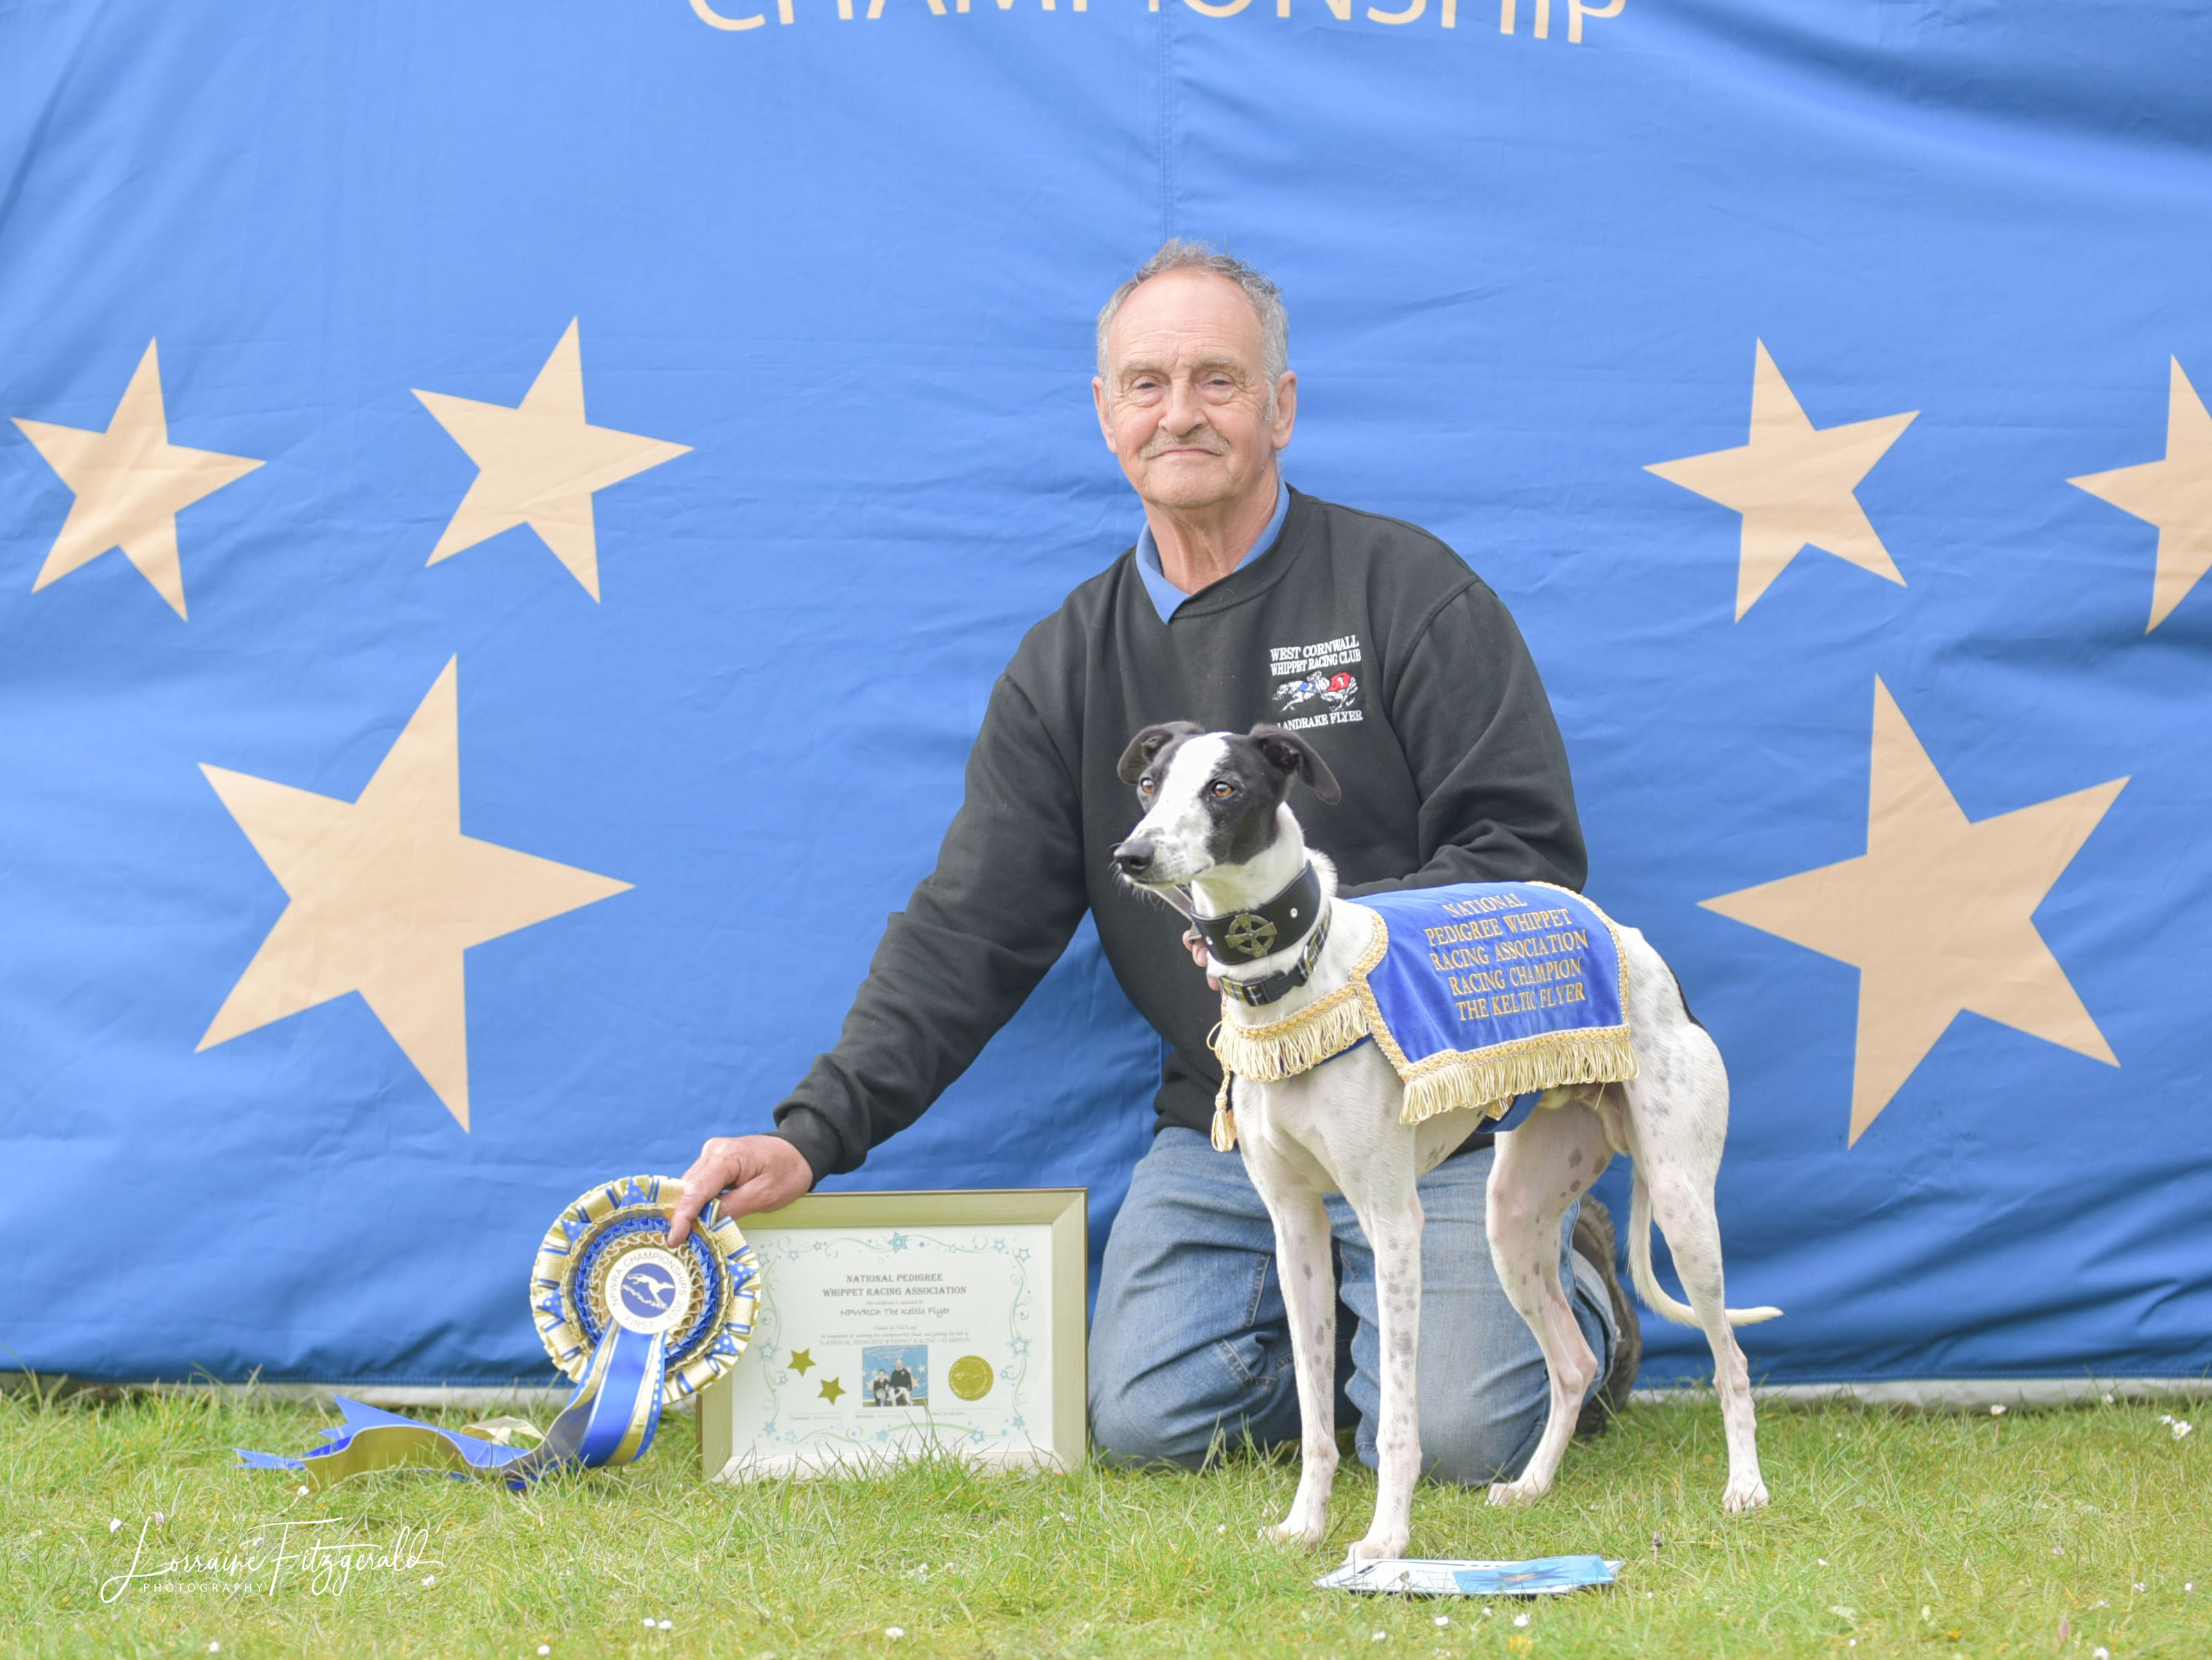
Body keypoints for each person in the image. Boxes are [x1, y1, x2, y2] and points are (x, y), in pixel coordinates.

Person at [669, 240, 1638, 1483]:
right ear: (1106, 414)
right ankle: (1364, 1324)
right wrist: (813, 1133)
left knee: (1461, 1436)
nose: (1180, 411)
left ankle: (1571, 1301)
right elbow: (972, 928)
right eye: (1147, 383)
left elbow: (1528, 861)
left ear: (1281, 405)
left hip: (1441, 1110)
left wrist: (1333, 962)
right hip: (1236, 1117)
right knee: (1144, 1419)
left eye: (1219, 380)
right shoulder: (1069, 666)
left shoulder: (1409, 593)